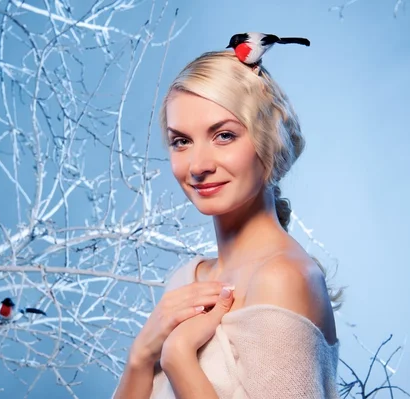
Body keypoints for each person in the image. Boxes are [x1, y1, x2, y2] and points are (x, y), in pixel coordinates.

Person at [113, 47, 344, 399]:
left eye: (224, 135)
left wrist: (178, 359)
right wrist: (140, 357)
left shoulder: (283, 280)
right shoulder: (187, 280)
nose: (197, 165)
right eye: (181, 141)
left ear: (269, 140)